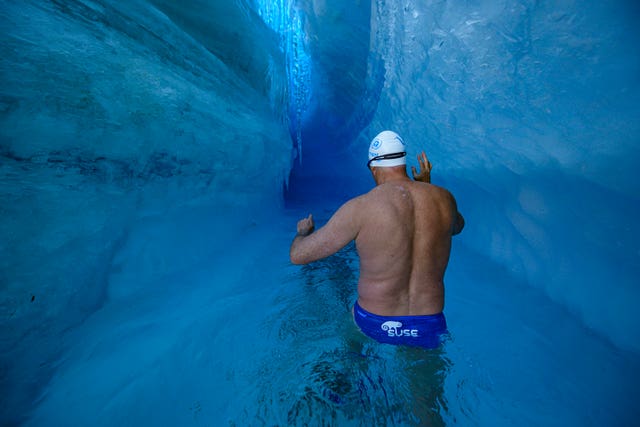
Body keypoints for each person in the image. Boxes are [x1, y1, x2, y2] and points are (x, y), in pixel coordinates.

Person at [289, 130, 464, 349]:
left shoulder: (361, 207)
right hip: (429, 323)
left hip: (374, 321)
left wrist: (303, 233)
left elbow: (299, 256)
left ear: (373, 167)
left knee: (350, 365)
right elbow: (457, 226)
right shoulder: (444, 200)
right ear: (403, 161)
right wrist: (427, 186)